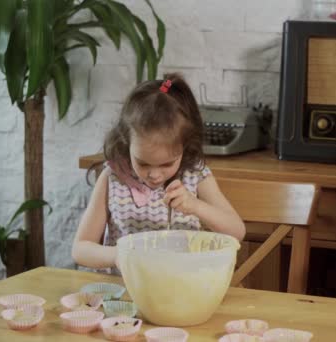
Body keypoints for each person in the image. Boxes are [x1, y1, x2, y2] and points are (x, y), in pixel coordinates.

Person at [72, 73, 246, 273]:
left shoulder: (195, 176)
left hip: (181, 291)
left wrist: (195, 206)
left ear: (185, 145)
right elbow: (80, 249)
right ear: (126, 141)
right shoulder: (113, 177)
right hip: (126, 295)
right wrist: (118, 255)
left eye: (167, 164)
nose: (155, 175)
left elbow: (237, 231)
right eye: (143, 163)